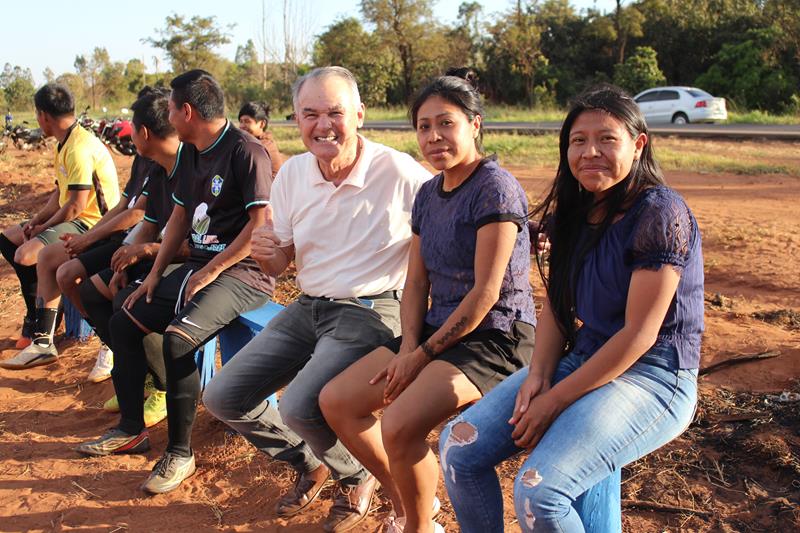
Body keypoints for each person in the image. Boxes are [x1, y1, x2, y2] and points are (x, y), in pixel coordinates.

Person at [438, 85, 703, 532]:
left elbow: (639, 334)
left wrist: (557, 398)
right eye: (578, 141)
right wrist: (539, 375)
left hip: (655, 375)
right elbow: (558, 310)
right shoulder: (575, 215)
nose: (590, 152)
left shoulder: (661, 213)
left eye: (607, 139)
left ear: (638, 145)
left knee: (541, 491)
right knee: (458, 450)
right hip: (585, 358)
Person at [202, 66, 431, 532]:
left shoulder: (399, 171)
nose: (323, 125)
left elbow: (449, 217)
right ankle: (320, 462)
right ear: (296, 119)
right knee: (224, 396)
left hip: (371, 307)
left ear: (360, 116)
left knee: (300, 403)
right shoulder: (293, 176)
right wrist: (271, 251)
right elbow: (277, 265)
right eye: (310, 114)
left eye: (335, 113)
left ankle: (363, 478)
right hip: (309, 305)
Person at [319, 74, 536, 533]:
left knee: (398, 423)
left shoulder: (494, 187)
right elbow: (416, 282)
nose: (434, 137)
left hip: (496, 338)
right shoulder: (429, 193)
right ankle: (412, 504)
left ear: (475, 124)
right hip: (437, 332)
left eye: (446, 123)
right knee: (338, 400)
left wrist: (421, 356)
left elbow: (486, 294)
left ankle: (417, 527)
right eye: (423, 126)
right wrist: (407, 348)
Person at [76, 70, 274, 495]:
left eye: (170, 109)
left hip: (243, 274)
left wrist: (213, 269)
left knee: (178, 340)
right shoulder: (190, 153)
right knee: (124, 319)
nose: (167, 116)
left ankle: (180, 453)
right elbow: (180, 218)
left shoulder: (246, 152)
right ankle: (131, 428)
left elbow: (260, 227)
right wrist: (153, 273)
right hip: (196, 267)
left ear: (186, 111)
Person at [73, 87, 184, 432]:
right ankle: (140, 373)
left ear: (145, 133)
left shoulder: (190, 165)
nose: (127, 133)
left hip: (191, 260)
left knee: (127, 302)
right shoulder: (155, 167)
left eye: (131, 127)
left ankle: (163, 387)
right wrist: (128, 259)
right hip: (160, 252)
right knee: (94, 292)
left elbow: (193, 238)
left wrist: (145, 255)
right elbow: (149, 222)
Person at [0, 83, 120, 369]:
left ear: (43, 116)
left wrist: (43, 229)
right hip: (76, 217)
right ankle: (38, 321)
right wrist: (37, 220)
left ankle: (43, 332)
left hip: (93, 223)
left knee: (29, 254)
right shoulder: (65, 142)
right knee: (8, 239)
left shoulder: (79, 147)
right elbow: (60, 194)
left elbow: (76, 206)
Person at [55, 87, 164, 381]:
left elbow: (139, 214)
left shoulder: (163, 159)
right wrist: (92, 233)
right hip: (124, 237)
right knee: (67, 275)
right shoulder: (143, 157)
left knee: (99, 288)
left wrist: (89, 238)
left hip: (136, 239)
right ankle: (112, 343)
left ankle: (144, 369)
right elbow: (123, 204)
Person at [238, 101, 284, 177]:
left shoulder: (261, 146)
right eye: (241, 121)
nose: (242, 126)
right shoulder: (251, 141)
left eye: (247, 121)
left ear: (262, 124)